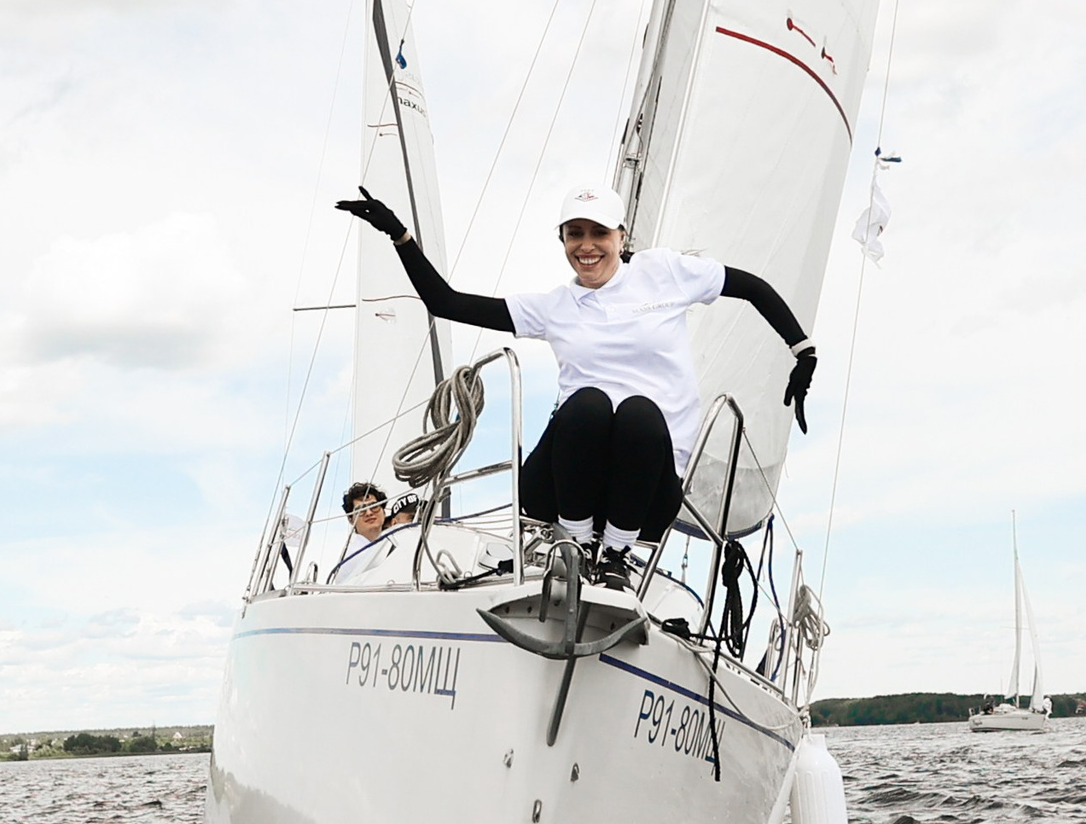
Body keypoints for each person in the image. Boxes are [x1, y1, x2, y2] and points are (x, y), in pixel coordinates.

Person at [334, 184, 814, 569]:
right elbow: (447, 303)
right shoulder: (554, 307)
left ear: (621, 237)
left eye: (599, 233)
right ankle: (578, 546)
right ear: (563, 240)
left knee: (639, 414)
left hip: (646, 491)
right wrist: (397, 233)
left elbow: (750, 286)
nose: (587, 246)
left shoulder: (665, 272)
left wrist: (802, 349)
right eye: (574, 234)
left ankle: (617, 555)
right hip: (565, 486)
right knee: (588, 404)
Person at [326, 481, 417, 584]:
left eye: (374, 507)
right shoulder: (355, 556)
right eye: (361, 510)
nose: (369, 513)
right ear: (351, 519)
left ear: (384, 511)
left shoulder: (389, 544)